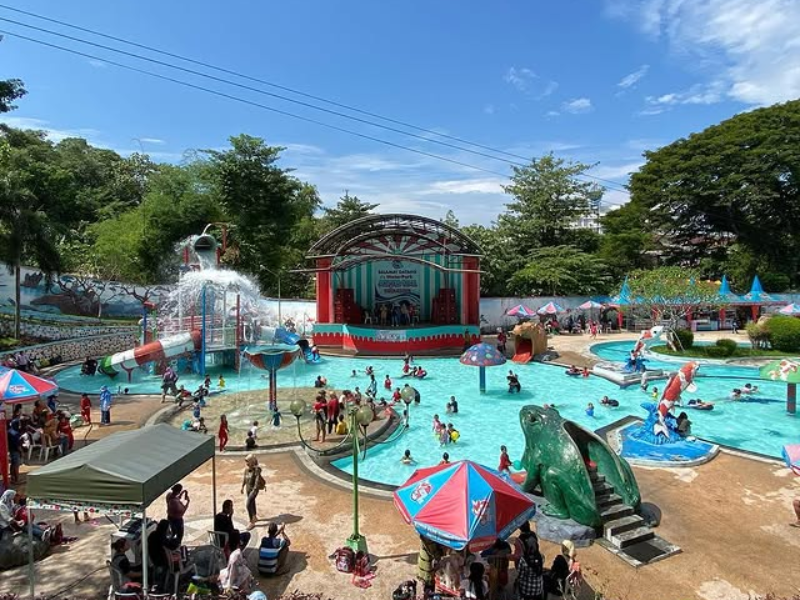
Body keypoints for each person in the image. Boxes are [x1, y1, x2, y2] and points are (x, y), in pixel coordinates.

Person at [514, 522, 544, 600]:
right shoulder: (541, 557)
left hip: (527, 591)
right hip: (539, 589)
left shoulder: (523, 561)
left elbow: (521, 576)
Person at [147, 519, 180, 586]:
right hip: (161, 562)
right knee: (160, 580)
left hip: (153, 559)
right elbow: (172, 546)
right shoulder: (162, 538)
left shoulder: (152, 534)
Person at [241, 454, 263, 530]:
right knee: (252, 502)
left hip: (254, 490)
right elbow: (244, 478)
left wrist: (255, 489)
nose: (247, 463)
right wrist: (242, 486)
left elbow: (257, 479)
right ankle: (254, 516)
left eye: (248, 462)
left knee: (248, 504)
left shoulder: (257, 470)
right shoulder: (246, 470)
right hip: (248, 489)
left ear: (252, 461)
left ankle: (251, 522)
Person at [7, 418, 22, 484]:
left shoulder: (9, 431)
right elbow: (18, 445)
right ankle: (17, 480)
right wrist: (21, 452)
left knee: (12, 464)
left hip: (10, 450)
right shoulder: (15, 433)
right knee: (16, 465)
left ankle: (12, 479)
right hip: (15, 451)